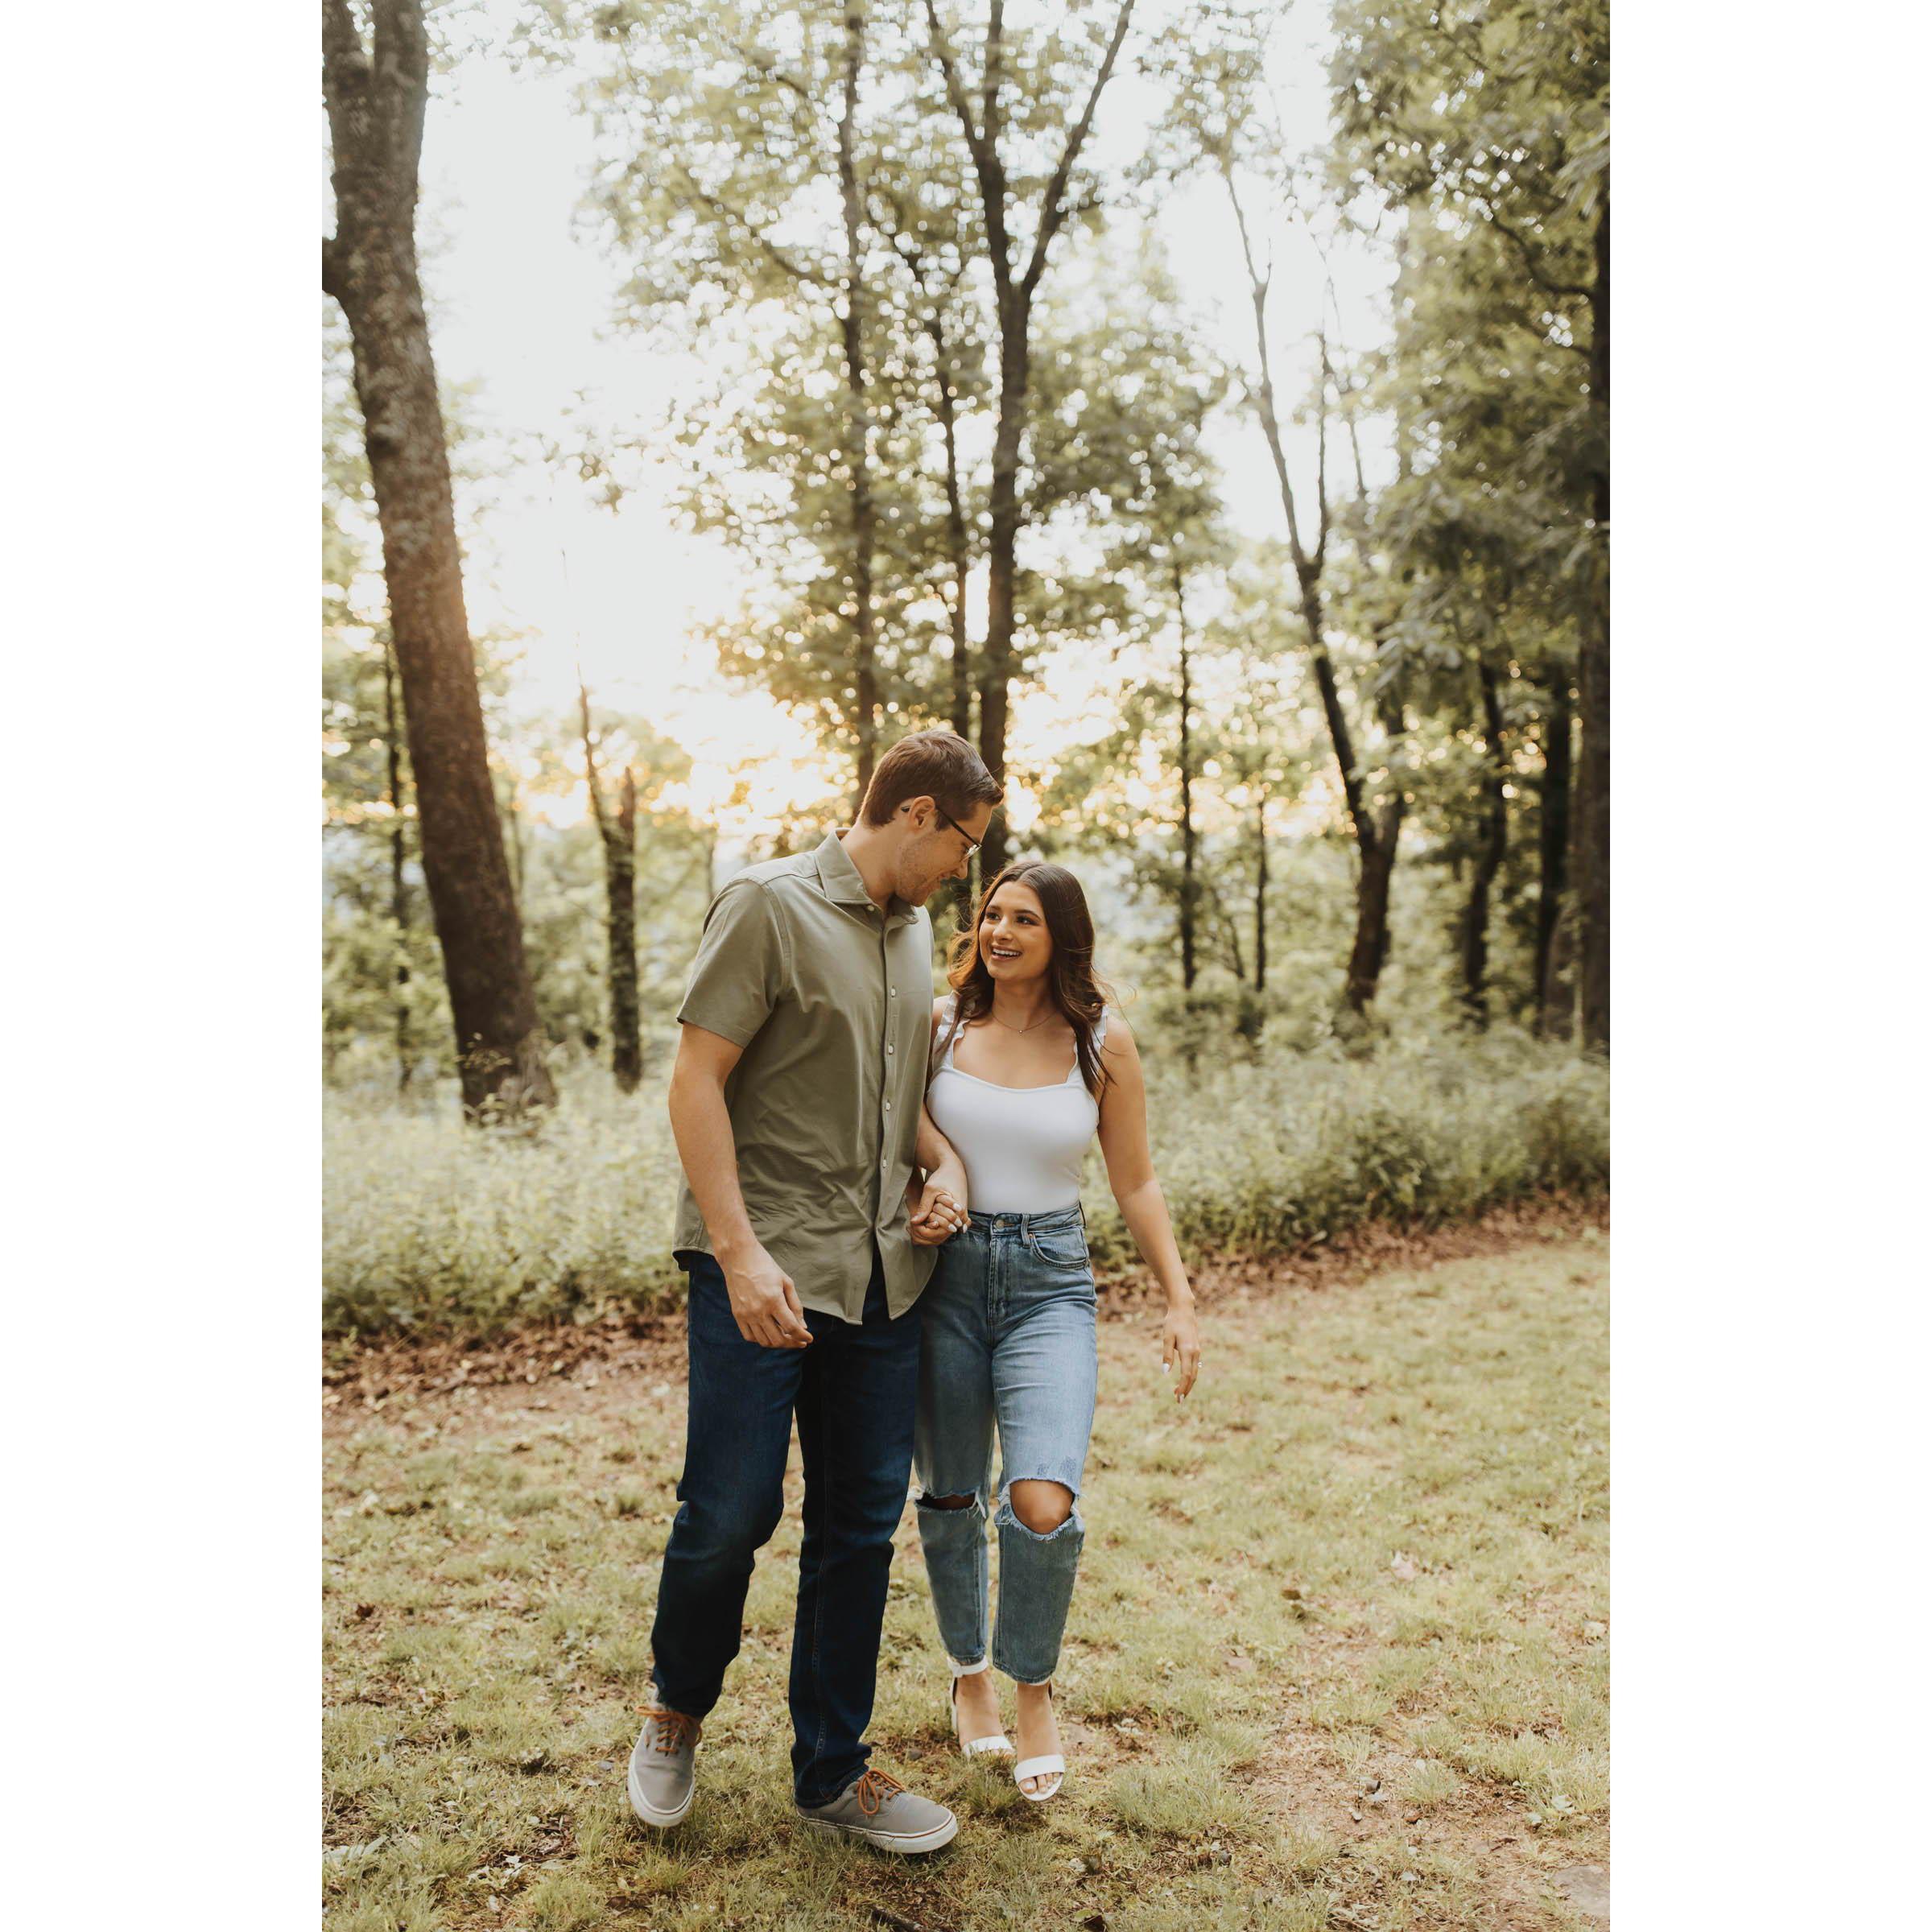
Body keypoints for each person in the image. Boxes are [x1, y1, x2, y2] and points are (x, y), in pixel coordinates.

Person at [626, 731, 1000, 1856]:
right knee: (730, 1512)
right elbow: (696, 1081)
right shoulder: (767, 905)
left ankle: (832, 1769)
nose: (965, 873)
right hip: (764, 1270)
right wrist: (738, 1254)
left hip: (884, 1278)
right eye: (964, 845)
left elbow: (897, 1102)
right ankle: (675, 1712)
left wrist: (946, 1168)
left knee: (857, 1531)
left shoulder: (913, 930)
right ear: (918, 813)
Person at [909, 860, 1203, 1801]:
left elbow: (1136, 1180)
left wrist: (1179, 1298)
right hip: (943, 1281)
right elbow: (898, 1135)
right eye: (992, 914)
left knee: (1040, 1500)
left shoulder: (1101, 1040)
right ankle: (969, 1675)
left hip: (1050, 1285)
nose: (1000, 932)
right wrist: (930, 1183)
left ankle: (1032, 1689)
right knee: (952, 1494)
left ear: (1061, 936)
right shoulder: (940, 1025)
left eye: (1024, 920)